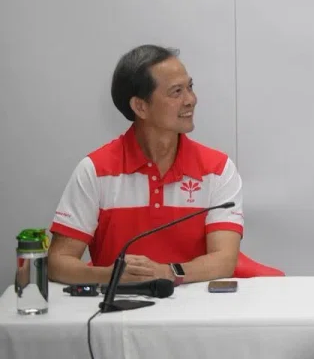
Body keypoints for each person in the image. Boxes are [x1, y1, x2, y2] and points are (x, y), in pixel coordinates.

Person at [48, 45, 244, 286]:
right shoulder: (96, 170)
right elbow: (58, 262)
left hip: (197, 311)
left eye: (190, 87)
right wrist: (111, 276)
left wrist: (165, 272)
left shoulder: (217, 168)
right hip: (119, 311)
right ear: (140, 107)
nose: (191, 100)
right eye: (177, 92)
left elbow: (224, 260)